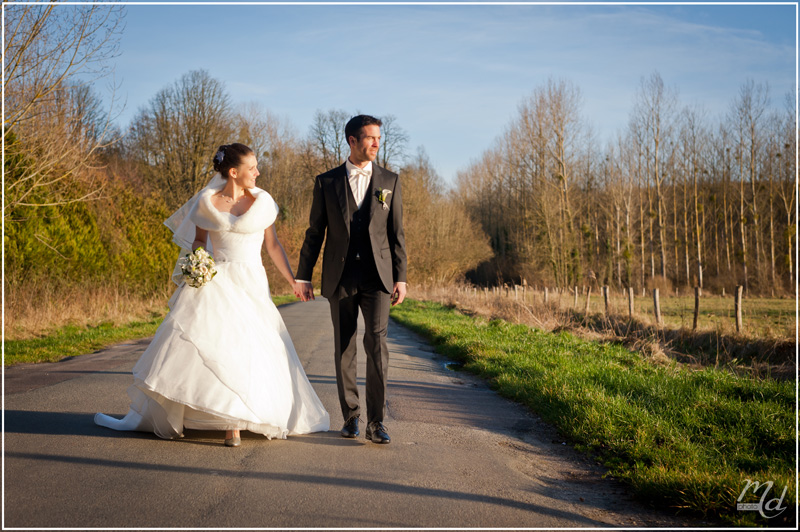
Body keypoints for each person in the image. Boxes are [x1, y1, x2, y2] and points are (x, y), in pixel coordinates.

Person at [95, 143, 330, 446]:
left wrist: (295, 280)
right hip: (215, 281)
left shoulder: (263, 202)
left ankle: (239, 418)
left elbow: (273, 246)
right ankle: (227, 422)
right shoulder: (206, 203)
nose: (258, 172)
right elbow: (198, 241)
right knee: (217, 345)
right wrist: (199, 265)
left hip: (251, 282)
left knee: (248, 347)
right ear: (234, 172)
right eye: (252, 168)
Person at [296, 115, 407, 444]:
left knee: (376, 344)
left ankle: (377, 422)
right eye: (370, 138)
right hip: (340, 276)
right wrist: (303, 275)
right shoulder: (326, 182)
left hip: (378, 278)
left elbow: (397, 234)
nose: (376, 143)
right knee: (344, 348)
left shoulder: (390, 181)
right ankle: (351, 417)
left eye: (378, 138)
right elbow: (315, 233)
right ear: (352, 140)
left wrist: (401, 277)